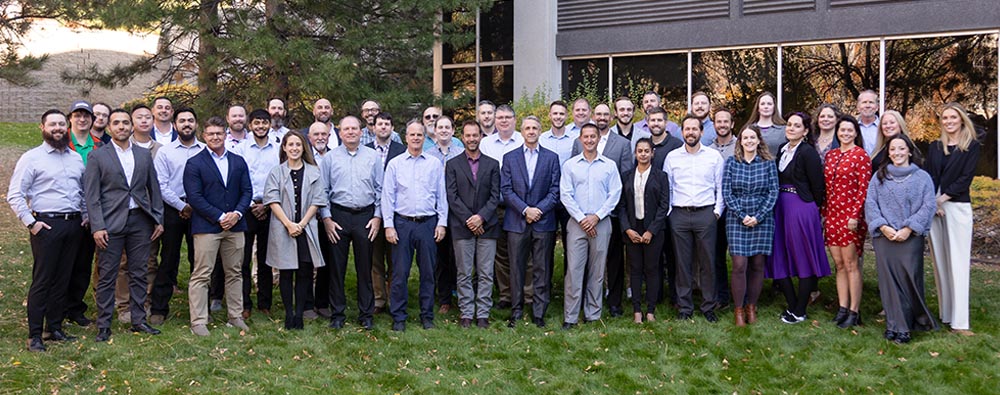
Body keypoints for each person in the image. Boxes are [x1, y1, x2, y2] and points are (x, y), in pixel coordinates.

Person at [7, 109, 87, 351]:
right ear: (42, 128)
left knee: (63, 278)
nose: (58, 128)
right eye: (52, 124)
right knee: (43, 280)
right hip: (46, 226)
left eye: (62, 124)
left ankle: (54, 327)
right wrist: (31, 223)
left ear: (67, 128)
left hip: (73, 225)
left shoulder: (75, 158)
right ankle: (35, 335)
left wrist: (84, 215)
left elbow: (81, 192)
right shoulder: (32, 158)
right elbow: (15, 194)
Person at [84, 108, 165, 342]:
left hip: (140, 220)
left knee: (139, 272)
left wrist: (157, 217)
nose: (121, 126)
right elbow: (92, 195)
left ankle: (138, 320)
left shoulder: (143, 155)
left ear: (132, 127)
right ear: (109, 128)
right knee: (108, 274)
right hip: (110, 222)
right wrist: (97, 226)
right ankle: (104, 325)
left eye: (125, 123)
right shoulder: (98, 156)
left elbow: (154, 188)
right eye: (116, 123)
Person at [865, 134, 939, 344]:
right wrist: (882, 226)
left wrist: (909, 228)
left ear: (909, 151)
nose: (897, 153)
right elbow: (870, 203)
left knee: (909, 280)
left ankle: (911, 320)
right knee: (888, 283)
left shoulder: (922, 177)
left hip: (910, 238)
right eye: (892, 150)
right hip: (885, 237)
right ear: (888, 154)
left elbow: (928, 206)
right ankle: (896, 326)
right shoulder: (879, 176)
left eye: (901, 148)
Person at [183, 116, 253, 336]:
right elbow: (194, 197)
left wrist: (238, 213)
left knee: (235, 272)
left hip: (236, 225)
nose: (215, 137)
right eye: (211, 134)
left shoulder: (238, 161)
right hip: (207, 227)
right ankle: (199, 321)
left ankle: (235, 315)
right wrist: (220, 216)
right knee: (202, 274)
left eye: (219, 133)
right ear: (204, 136)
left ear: (226, 135)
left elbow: (247, 191)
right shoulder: (195, 163)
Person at [382, 120, 448, 331]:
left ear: (424, 137)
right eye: (412, 134)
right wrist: (389, 225)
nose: (416, 138)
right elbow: (387, 196)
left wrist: (442, 223)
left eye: (420, 134)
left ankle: (426, 315)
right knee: (400, 273)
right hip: (402, 223)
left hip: (427, 224)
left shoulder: (434, 164)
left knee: (428, 273)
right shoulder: (395, 164)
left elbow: (441, 196)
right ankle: (399, 316)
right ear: (406, 137)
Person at [319, 116, 383, 330]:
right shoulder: (330, 158)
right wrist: (326, 218)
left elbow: (380, 189)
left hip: (366, 216)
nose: (351, 132)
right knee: (337, 268)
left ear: (361, 131)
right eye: (346, 129)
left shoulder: (373, 157)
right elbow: (323, 191)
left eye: (354, 128)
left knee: (365, 267)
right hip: (339, 216)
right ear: (340, 132)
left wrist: (377, 216)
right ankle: (337, 313)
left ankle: (366, 314)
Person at [571, 103, 635, 317]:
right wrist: (583, 217)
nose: (601, 117)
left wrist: (601, 214)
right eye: (598, 114)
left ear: (611, 117)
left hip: (610, 214)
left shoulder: (622, 144)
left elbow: (624, 180)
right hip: (580, 217)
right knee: (578, 264)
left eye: (605, 114)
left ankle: (613, 302)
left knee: (613, 261)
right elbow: (570, 181)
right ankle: (577, 306)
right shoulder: (577, 144)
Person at [663, 114, 725, 323]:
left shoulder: (713, 156)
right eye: (687, 129)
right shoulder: (672, 157)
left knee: (707, 262)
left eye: (694, 129)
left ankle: (708, 306)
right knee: (682, 263)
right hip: (679, 214)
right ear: (682, 132)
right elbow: (668, 187)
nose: (690, 132)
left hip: (706, 213)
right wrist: (671, 213)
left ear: (701, 131)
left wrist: (716, 212)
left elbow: (720, 187)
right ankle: (685, 306)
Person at [560, 123, 622, 329]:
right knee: (574, 271)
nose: (589, 140)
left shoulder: (609, 165)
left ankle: (593, 314)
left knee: (597, 271)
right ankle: (570, 316)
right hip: (577, 223)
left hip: (601, 223)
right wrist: (582, 218)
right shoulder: (570, 165)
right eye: (585, 137)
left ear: (598, 139)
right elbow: (565, 195)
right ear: (580, 139)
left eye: (592, 137)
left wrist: (597, 216)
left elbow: (615, 194)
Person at [926, 102, 981, 336]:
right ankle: (946, 313)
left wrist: (943, 199)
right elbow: (929, 175)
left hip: (957, 207)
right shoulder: (936, 146)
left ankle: (960, 322)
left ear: (961, 120)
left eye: (953, 118)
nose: (949, 121)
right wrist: (934, 201)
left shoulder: (972, 146)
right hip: (935, 209)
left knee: (957, 264)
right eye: (945, 118)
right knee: (940, 263)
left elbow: (965, 179)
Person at [769, 112, 829, 324]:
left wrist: (812, 211)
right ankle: (793, 305)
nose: (791, 128)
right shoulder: (781, 150)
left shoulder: (808, 153)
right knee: (779, 255)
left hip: (801, 208)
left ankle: (800, 309)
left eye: (796, 126)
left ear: (805, 131)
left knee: (803, 257)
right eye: (789, 125)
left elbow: (817, 186)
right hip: (780, 207)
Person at [502, 116, 561, 328]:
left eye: (535, 128)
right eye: (527, 128)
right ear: (522, 130)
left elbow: (555, 191)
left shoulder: (551, 158)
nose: (531, 131)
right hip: (517, 221)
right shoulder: (510, 158)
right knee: (516, 268)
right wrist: (526, 210)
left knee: (542, 268)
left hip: (543, 222)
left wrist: (538, 210)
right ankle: (516, 311)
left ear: (540, 130)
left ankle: (539, 312)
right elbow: (506, 190)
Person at [264, 131, 327, 329]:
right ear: (284, 147)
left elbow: (318, 200)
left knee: (304, 272)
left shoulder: (314, 172)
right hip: (283, 228)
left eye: (298, 145)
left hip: (306, 228)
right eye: (290, 145)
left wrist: (301, 223)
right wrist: (289, 224)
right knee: (286, 272)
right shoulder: (276, 172)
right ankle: (288, 313)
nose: (294, 148)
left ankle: (300, 313)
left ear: (303, 148)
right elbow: (272, 199)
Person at [150, 107, 202, 325]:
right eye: (182, 121)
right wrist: (181, 205)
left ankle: (199, 307)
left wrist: (195, 205)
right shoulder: (165, 152)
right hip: (173, 209)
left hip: (200, 210)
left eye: (191, 120)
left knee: (198, 260)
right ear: (175, 125)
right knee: (169, 259)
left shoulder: (205, 150)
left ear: (196, 124)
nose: (187, 124)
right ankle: (159, 308)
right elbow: (160, 185)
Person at [446, 121, 501, 328]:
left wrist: (481, 218)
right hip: (462, 226)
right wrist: (470, 219)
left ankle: (483, 313)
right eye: (467, 135)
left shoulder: (492, 164)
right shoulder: (453, 164)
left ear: (480, 137)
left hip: (488, 226)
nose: (471, 139)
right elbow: (452, 196)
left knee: (486, 272)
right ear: (463, 137)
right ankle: (467, 313)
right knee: (464, 272)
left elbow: (495, 196)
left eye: (475, 135)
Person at [723, 125, 779, 326]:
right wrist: (742, 214)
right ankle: (738, 309)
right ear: (740, 142)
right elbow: (727, 192)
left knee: (757, 264)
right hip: (737, 219)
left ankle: (751, 306)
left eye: (752, 137)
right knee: (739, 265)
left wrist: (759, 216)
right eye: (744, 137)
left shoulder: (768, 163)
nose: (748, 141)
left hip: (762, 219)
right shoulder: (731, 162)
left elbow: (773, 192)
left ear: (758, 141)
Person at [823, 114, 871, 329]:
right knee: (839, 264)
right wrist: (824, 214)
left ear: (855, 133)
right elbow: (826, 188)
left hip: (850, 216)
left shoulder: (860, 156)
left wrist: (855, 215)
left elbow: (864, 188)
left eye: (850, 130)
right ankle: (842, 308)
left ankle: (854, 310)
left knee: (852, 265)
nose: (845, 133)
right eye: (842, 130)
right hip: (832, 215)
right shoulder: (831, 156)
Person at [233, 109, 281, 319]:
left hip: (271, 208)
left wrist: (267, 205)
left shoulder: (278, 149)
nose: (261, 127)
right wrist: (252, 204)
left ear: (270, 124)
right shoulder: (241, 149)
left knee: (266, 258)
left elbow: (281, 179)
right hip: (247, 208)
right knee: (243, 260)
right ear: (250, 125)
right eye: (257, 123)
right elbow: (238, 179)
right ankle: (245, 303)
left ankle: (265, 302)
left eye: (264, 123)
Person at [618, 138, 670, 323]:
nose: (643, 154)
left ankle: (650, 310)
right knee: (635, 269)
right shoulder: (626, 176)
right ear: (635, 153)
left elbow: (664, 205)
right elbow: (621, 206)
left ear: (652, 153)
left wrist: (652, 231)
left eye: (646, 151)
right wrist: (627, 229)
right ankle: (637, 310)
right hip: (633, 229)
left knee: (652, 269)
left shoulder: (661, 176)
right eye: (639, 151)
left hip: (653, 230)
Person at [480, 104, 524, 308]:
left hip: (520, 207)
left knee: (524, 252)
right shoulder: (486, 144)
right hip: (495, 206)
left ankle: (526, 294)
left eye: (508, 117)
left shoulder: (523, 140)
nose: (504, 120)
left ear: (515, 120)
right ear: (495, 121)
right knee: (500, 254)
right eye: (500, 117)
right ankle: (506, 295)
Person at [366, 112, 406, 315]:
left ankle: (395, 298)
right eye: (379, 124)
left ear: (392, 128)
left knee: (395, 259)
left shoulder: (401, 150)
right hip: (371, 213)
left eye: (387, 124)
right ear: (373, 127)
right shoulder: (365, 151)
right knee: (375, 258)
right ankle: (379, 299)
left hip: (395, 212)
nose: (383, 127)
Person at [427, 116, 463, 314]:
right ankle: (444, 298)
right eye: (439, 127)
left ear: (453, 130)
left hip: (457, 212)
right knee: (440, 257)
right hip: (435, 211)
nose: (443, 130)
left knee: (457, 255)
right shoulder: (428, 154)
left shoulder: (460, 153)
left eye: (447, 127)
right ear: (434, 130)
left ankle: (460, 293)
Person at [540, 100, 576, 165]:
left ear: (566, 116)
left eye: (561, 114)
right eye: (555, 113)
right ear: (550, 115)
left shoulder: (575, 139)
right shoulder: (541, 139)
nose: (558, 117)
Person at [856, 90, 880, 155]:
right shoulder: (852, 128)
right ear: (858, 107)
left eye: (871, 102)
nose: (867, 105)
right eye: (864, 102)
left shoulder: (884, 128)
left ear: (877, 107)